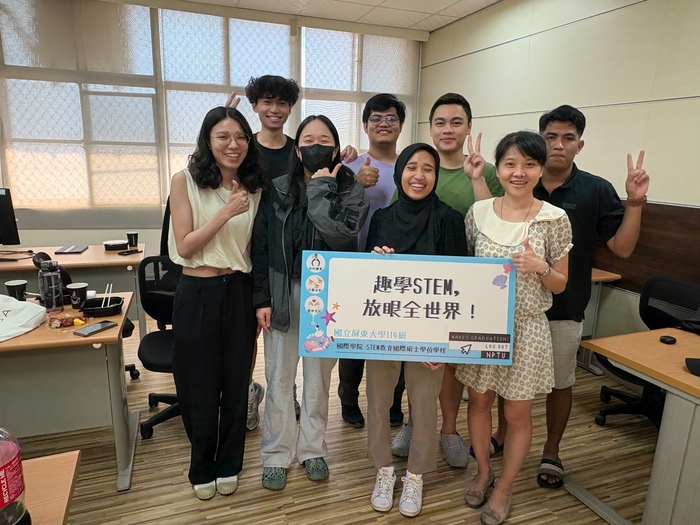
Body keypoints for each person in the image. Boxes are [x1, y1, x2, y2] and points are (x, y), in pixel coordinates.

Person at [490, 105, 650, 490]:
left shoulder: (595, 189)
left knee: (561, 383)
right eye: (550, 137)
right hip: (512, 308)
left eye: (568, 138)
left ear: (580, 144)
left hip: (564, 306)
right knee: (505, 379)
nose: (558, 145)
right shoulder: (519, 183)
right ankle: (501, 433)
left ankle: (552, 449)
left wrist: (634, 203)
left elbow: (622, 248)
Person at [455, 131, 572, 525]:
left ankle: (504, 487)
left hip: (527, 329)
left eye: (529, 164)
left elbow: (561, 284)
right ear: (499, 168)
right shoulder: (478, 213)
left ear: (540, 170)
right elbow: (466, 271)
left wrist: (542, 268)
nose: (518, 172)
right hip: (482, 327)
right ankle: (483, 472)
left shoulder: (554, 218)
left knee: (518, 414)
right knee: (479, 402)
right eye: (510, 164)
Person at [229, 77, 357, 430]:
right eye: (267, 102)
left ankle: (308, 435)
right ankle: (260, 417)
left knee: (312, 374)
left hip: (314, 280)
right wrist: (222, 127)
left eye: (282, 103)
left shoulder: (326, 171)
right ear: (255, 106)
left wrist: (337, 172)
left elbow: (341, 231)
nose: (274, 109)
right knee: (269, 362)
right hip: (259, 266)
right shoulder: (245, 151)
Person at [252, 115, 368, 491]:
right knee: (279, 378)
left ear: (335, 149)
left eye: (324, 139)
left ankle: (312, 450)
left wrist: (320, 187)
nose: (315, 145)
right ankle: (276, 453)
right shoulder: (276, 189)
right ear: (297, 149)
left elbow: (340, 235)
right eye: (308, 139)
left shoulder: (350, 190)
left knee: (318, 380)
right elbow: (261, 246)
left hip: (327, 298)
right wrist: (262, 298)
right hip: (282, 293)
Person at [391, 93, 503, 468]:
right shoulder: (418, 166)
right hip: (419, 287)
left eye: (457, 122)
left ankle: (450, 430)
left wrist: (477, 178)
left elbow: (496, 223)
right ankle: (413, 422)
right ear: (431, 128)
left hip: (467, 283)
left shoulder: (486, 171)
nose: (448, 129)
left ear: (469, 127)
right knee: (417, 359)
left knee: (451, 363)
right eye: (440, 122)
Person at [168, 106, 266, 500]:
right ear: (208, 141)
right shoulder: (185, 181)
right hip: (198, 292)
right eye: (223, 136)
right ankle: (201, 465)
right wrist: (226, 212)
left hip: (239, 290)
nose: (233, 144)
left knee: (236, 383)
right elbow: (185, 245)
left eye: (241, 136)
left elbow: (251, 249)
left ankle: (229, 463)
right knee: (200, 385)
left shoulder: (253, 187)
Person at [365, 142, 468, 517]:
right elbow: (367, 281)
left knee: (424, 406)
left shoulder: (449, 219)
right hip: (383, 331)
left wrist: (443, 344)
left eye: (428, 169)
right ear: (399, 173)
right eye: (411, 167)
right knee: (378, 402)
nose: (419, 176)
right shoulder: (381, 219)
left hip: (429, 336)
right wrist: (375, 262)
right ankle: (383, 470)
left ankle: (415, 476)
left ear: (436, 176)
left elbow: (459, 284)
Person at [339, 93, 407, 429]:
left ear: (401, 125)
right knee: (353, 337)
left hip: (398, 266)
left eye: (391, 117)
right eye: (376, 118)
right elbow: (331, 211)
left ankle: (394, 401)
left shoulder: (410, 166)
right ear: (365, 125)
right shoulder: (348, 167)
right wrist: (353, 182)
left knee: (397, 338)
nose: (384, 123)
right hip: (355, 263)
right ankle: (348, 399)